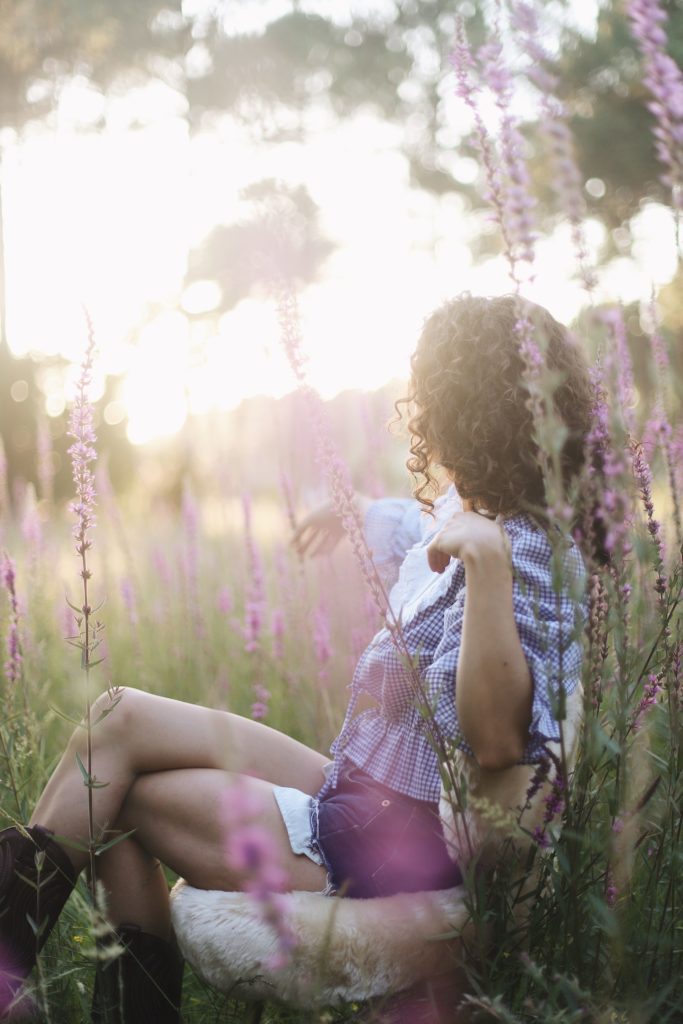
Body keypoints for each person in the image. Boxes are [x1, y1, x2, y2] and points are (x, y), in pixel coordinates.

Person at [0, 294, 595, 1022]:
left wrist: (488, 567)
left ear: (469, 408)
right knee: (115, 720)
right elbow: (417, 521)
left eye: (431, 395)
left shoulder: (529, 550)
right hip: (360, 785)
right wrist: (357, 513)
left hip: (394, 835)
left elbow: (498, 741)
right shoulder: (469, 517)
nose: (420, 419)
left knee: (115, 795)